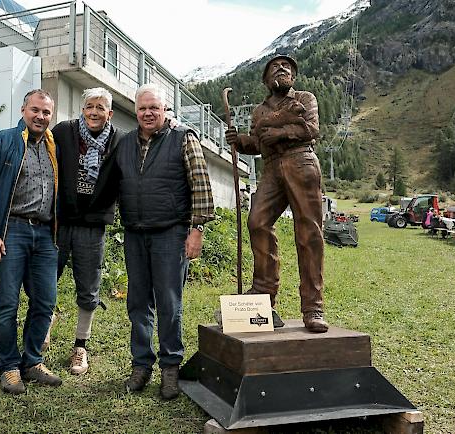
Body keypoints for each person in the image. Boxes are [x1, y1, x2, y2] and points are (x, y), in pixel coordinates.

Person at [114, 83, 215, 400]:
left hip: (171, 233)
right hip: (135, 232)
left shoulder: (183, 137)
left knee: (169, 304)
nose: (147, 113)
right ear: (135, 109)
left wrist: (196, 229)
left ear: (165, 110)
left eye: (154, 107)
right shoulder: (126, 142)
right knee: (137, 302)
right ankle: (141, 365)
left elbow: (200, 183)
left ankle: (170, 368)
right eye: (143, 108)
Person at [0, 89, 62, 395]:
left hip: (46, 235)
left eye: (46, 112)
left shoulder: (52, 146)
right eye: (35, 110)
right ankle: (9, 366)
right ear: (23, 110)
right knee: (7, 303)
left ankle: (32, 361)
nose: (40, 116)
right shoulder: (1, 141)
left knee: (45, 302)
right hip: (11, 232)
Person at [225, 54, 328, 333]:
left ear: (293, 77)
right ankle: (263, 294)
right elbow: (258, 142)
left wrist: (277, 132)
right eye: (274, 68)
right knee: (257, 221)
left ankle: (313, 306)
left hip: (301, 162)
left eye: (286, 68)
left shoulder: (305, 99)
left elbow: (311, 128)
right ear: (266, 80)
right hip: (271, 169)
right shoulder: (258, 111)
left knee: (309, 233)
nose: (281, 70)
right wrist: (240, 142)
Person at [42, 87, 124, 376]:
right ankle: (44, 325)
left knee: (89, 287)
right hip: (60, 220)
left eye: (100, 107)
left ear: (109, 113)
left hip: (93, 225)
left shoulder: (119, 140)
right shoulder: (64, 131)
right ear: (82, 109)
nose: (93, 112)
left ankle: (80, 346)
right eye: (89, 106)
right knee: (46, 277)